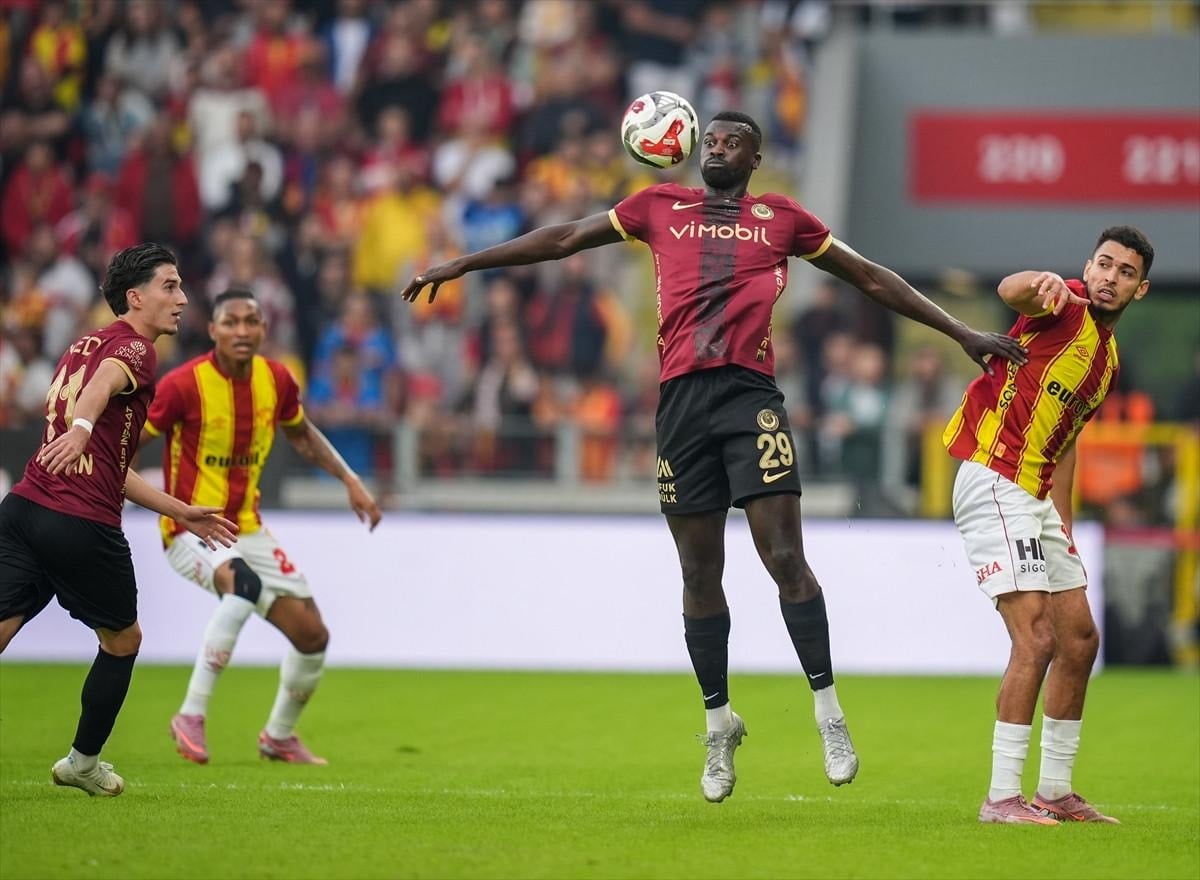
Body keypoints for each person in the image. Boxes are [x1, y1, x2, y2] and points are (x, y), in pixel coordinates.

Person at [402, 111, 1028, 802]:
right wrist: (468, 263)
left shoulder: (782, 218)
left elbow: (871, 278)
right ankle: (719, 725)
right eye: (712, 141)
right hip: (680, 407)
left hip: (749, 397)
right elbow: (564, 238)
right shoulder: (657, 206)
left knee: (784, 558)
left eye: (733, 142)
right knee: (699, 572)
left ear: (755, 158)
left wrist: (960, 330)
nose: (718, 148)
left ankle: (828, 714)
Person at [0, 243, 239, 797]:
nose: (182, 299)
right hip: (80, 523)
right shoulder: (135, 348)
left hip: (24, 509)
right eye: (170, 286)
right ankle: (83, 763)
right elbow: (102, 386)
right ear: (135, 297)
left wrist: (181, 511)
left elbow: (112, 466)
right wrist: (83, 428)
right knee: (123, 639)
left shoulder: (81, 344)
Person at [944, 226, 1154, 825]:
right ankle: (1001, 798)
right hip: (994, 477)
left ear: (1139, 290)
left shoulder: (1107, 362)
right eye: (1104, 264)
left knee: (1079, 639)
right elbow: (1011, 292)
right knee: (1035, 638)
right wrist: (1033, 282)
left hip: (1035, 498)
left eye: (1126, 272)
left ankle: (1055, 792)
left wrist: (1063, 527)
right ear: (1087, 268)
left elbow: (1065, 447)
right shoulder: (1062, 303)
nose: (1110, 278)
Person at [142, 288, 382, 766]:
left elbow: (302, 434)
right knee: (244, 586)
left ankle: (278, 736)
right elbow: (128, 444)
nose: (242, 331)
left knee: (312, 636)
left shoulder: (276, 380)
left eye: (251, 322)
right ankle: (190, 714)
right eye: (231, 322)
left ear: (264, 330)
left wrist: (349, 479)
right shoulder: (183, 385)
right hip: (192, 528)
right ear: (212, 330)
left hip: (247, 528)